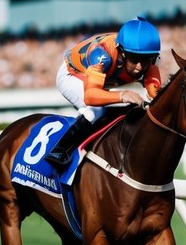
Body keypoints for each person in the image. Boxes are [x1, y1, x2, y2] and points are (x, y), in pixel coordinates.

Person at [44, 15, 164, 169]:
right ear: (122, 53)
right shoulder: (102, 55)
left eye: (147, 59)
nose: (140, 67)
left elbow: (156, 97)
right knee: (95, 111)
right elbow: (90, 96)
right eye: (134, 59)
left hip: (102, 80)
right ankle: (60, 151)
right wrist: (123, 95)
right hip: (72, 74)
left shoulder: (150, 66)